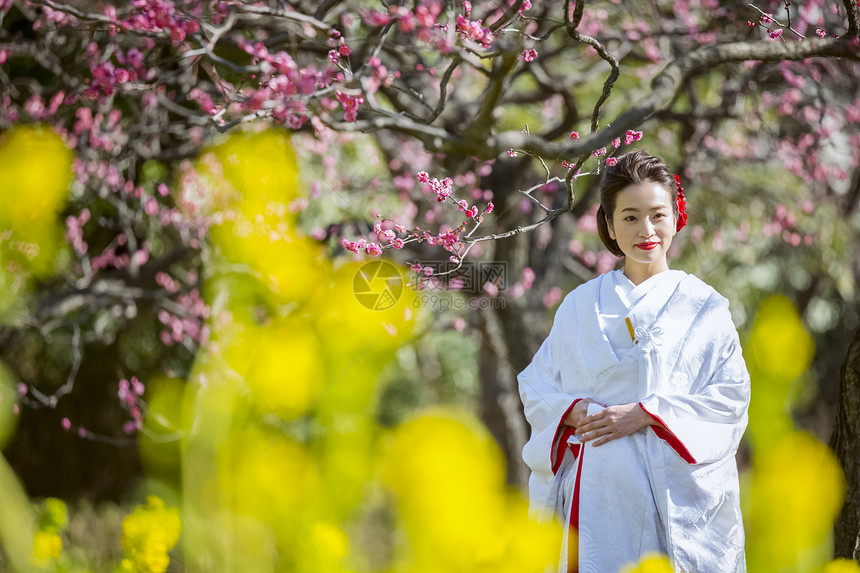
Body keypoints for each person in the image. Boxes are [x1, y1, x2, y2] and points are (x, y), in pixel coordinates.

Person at [518, 150, 750, 573]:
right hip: (597, 496)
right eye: (629, 217)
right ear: (607, 224)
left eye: (658, 215)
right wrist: (572, 411)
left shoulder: (705, 308)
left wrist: (646, 414)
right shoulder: (579, 305)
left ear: (677, 217)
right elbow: (537, 385)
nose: (646, 230)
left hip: (672, 498)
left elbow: (730, 400)